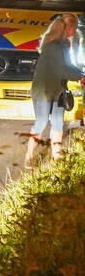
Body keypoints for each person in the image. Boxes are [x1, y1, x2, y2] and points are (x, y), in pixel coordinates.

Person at [25, 13, 84, 167]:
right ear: (69, 28)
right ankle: (29, 156)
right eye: (75, 27)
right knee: (42, 122)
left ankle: (57, 158)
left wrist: (80, 73)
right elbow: (62, 69)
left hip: (58, 89)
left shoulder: (65, 43)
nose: (76, 30)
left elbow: (69, 66)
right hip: (43, 90)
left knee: (58, 123)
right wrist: (81, 76)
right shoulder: (53, 46)